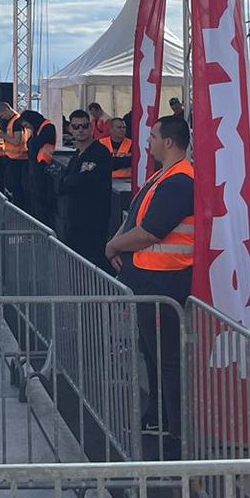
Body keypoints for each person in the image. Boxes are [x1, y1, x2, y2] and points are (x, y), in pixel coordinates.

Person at [105, 115, 194, 458]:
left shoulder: (180, 181)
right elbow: (136, 219)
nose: (147, 142)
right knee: (152, 353)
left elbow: (151, 231)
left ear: (168, 142)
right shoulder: (164, 177)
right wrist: (119, 244)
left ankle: (175, 432)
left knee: (166, 357)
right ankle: (158, 416)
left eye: (153, 136)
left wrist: (114, 246)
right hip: (149, 278)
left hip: (164, 281)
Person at [55, 110, 115, 268]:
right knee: (76, 265)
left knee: (92, 265)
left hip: (94, 220)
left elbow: (80, 182)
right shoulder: (77, 155)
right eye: (76, 126)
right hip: (74, 219)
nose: (80, 130)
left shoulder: (100, 153)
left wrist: (72, 181)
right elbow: (63, 185)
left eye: (84, 126)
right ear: (70, 129)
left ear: (91, 127)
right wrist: (72, 181)